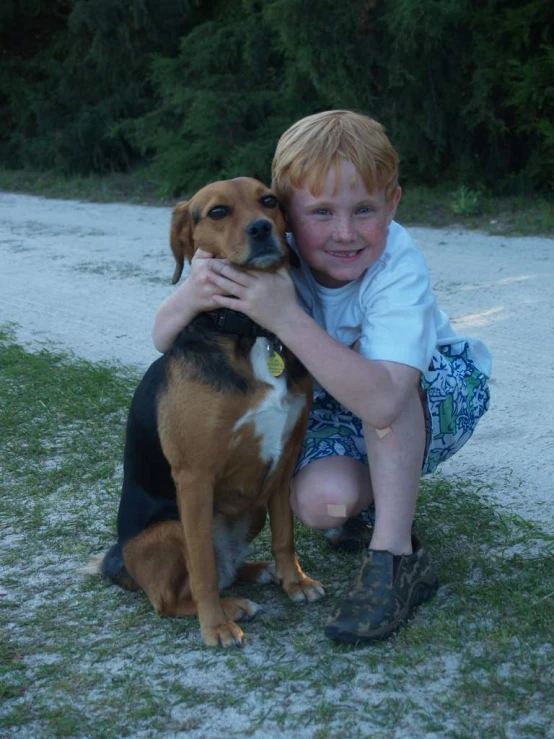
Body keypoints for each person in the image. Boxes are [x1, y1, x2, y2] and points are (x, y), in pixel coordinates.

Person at [152, 110, 491, 643]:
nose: (344, 232)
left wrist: (285, 316)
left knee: (387, 394)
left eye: (364, 210)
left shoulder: (395, 263)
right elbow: (160, 335)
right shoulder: (269, 248)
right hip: (342, 396)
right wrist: (193, 289)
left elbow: (383, 401)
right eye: (321, 213)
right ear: (288, 214)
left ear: (393, 204)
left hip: (432, 394)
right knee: (319, 504)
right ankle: (369, 501)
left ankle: (395, 556)